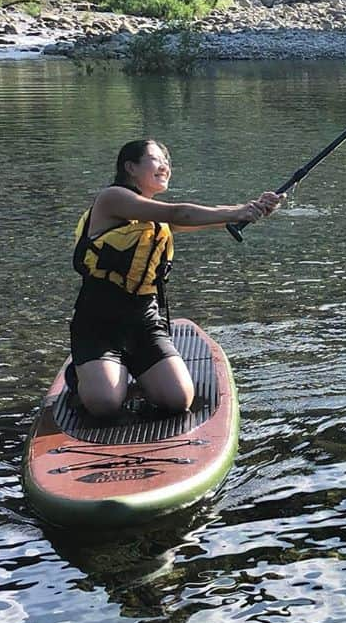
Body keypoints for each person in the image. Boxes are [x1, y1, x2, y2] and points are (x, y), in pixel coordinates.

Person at [70, 138, 283, 417]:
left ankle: (123, 373)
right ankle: (83, 377)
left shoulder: (153, 217)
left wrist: (254, 209)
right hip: (98, 324)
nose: (165, 167)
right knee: (105, 405)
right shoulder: (112, 199)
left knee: (178, 399)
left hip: (143, 322)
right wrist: (239, 211)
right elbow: (179, 211)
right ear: (130, 167)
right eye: (157, 159)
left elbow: (213, 217)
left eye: (167, 162)